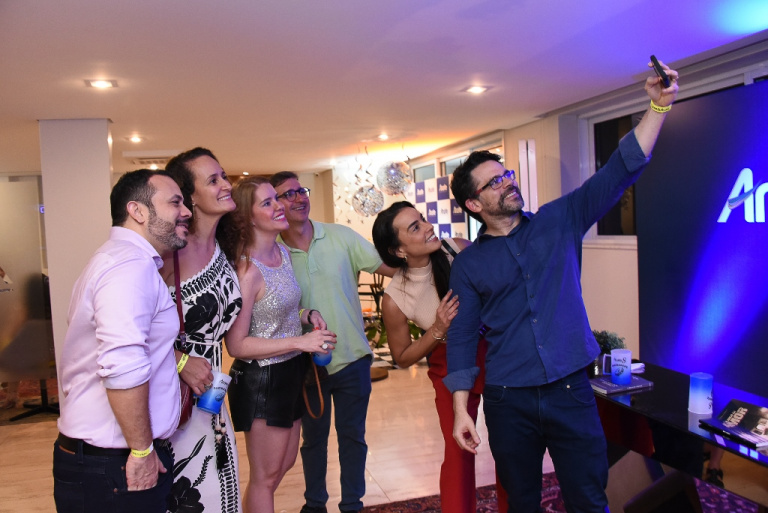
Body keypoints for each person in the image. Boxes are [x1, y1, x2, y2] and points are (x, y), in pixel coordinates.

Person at [445, 60, 680, 512]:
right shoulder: (469, 264)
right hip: (508, 399)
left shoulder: (559, 219)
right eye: (494, 183)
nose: (507, 183)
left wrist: (658, 107)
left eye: (507, 174)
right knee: (522, 502)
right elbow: (462, 338)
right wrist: (461, 410)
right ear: (474, 204)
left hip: (570, 391)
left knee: (589, 499)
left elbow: (620, 170)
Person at [53, 169, 191, 513]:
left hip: (107, 460)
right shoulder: (128, 266)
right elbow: (123, 365)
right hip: (114, 463)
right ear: (138, 211)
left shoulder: (121, 260)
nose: (186, 211)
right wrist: (142, 451)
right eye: (175, 203)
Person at [269, 171, 394, 513]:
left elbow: (390, 269)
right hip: (306, 366)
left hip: (353, 358)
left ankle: (353, 504)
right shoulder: (272, 253)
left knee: (353, 437)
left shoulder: (341, 237)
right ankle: (315, 505)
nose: (298, 197)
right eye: (287, 194)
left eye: (301, 190)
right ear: (274, 204)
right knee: (313, 441)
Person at [372, 201, 508, 513]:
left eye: (422, 219)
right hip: (448, 362)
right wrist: (437, 328)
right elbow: (402, 357)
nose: (428, 226)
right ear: (398, 250)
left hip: (497, 350)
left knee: (509, 444)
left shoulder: (458, 248)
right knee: (460, 449)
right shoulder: (395, 298)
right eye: (415, 227)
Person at [219, 176, 337, 513]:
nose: (279, 206)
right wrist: (302, 341)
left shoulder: (282, 253)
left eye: (277, 199)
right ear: (248, 217)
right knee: (265, 478)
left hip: (291, 371)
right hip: (262, 381)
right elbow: (236, 345)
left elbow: (279, 310)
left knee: (283, 465)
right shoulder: (247, 271)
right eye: (267, 202)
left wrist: (306, 314)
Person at [162, 148, 243, 513]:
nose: (226, 185)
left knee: (223, 494)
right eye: (213, 180)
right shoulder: (170, 253)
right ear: (189, 197)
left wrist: (305, 315)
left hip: (213, 398)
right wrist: (180, 361)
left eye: (223, 176)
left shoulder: (225, 247)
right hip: (175, 397)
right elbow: (128, 328)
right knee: (189, 496)